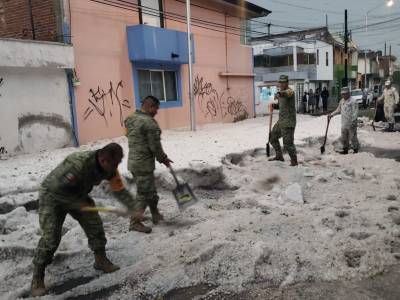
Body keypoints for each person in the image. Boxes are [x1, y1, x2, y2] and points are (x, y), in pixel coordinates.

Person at [31, 143, 142, 297]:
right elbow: (57, 189)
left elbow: (119, 190)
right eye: (115, 164)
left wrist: (133, 207)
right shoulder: (78, 163)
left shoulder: (110, 167)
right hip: (53, 196)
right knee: (51, 238)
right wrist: (78, 204)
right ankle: (37, 276)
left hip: (77, 194)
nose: (116, 168)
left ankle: (100, 260)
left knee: (94, 224)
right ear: (104, 161)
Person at [124, 95, 172, 233]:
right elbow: (154, 146)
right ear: (151, 107)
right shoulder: (150, 123)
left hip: (133, 162)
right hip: (143, 165)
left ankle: (155, 214)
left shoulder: (130, 119)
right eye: (156, 108)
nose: (157, 111)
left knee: (150, 190)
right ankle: (135, 222)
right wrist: (163, 159)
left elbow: (129, 135)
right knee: (143, 193)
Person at [269, 75, 298, 166]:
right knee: (272, 137)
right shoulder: (281, 92)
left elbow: (286, 93)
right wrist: (274, 106)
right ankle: (279, 155)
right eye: (280, 82)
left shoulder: (290, 91)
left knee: (288, 143)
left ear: (287, 83)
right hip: (281, 121)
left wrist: (279, 94)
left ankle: (294, 161)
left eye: (283, 82)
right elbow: (282, 106)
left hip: (289, 122)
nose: (281, 84)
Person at [328, 87, 359, 154]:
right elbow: (338, 110)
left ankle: (355, 149)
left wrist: (353, 121)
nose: (343, 95)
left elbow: (355, 112)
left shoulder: (353, 101)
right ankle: (345, 149)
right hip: (344, 122)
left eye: (345, 94)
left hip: (351, 123)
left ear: (348, 93)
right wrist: (331, 114)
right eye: (342, 94)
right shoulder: (342, 101)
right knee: (344, 137)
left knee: (353, 137)